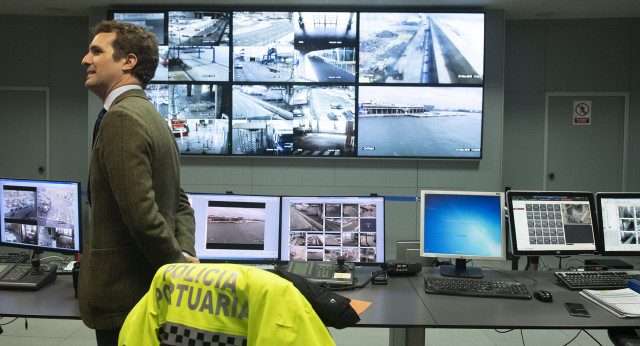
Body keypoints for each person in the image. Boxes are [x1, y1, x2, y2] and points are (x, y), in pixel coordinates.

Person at [78, 20, 199, 346]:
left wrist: (178, 271)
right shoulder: (152, 116)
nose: (85, 60)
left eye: (96, 51)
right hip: (147, 294)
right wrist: (184, 251)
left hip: (124, 296)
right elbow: (180, 201)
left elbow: (142, 216)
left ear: (128, 61)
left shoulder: (121, 117)